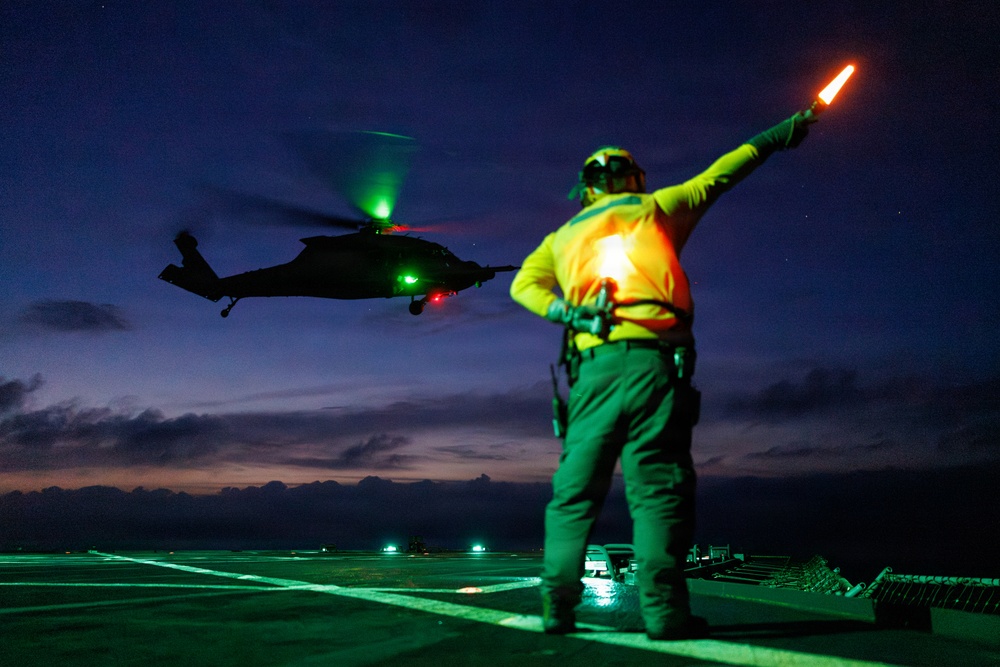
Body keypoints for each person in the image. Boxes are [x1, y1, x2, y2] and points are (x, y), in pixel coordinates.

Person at [509, 110, 817, 639]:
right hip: (657, 367)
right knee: (658, 492)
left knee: (574, 494)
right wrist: (780, 135)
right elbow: (724, 171)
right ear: (634, 178)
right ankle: (665, 616)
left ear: (586, 189)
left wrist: (569, 313)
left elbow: (522, 285)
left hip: (592, 376)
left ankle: (557, 609)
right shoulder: (658, 209)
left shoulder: (560, 238)